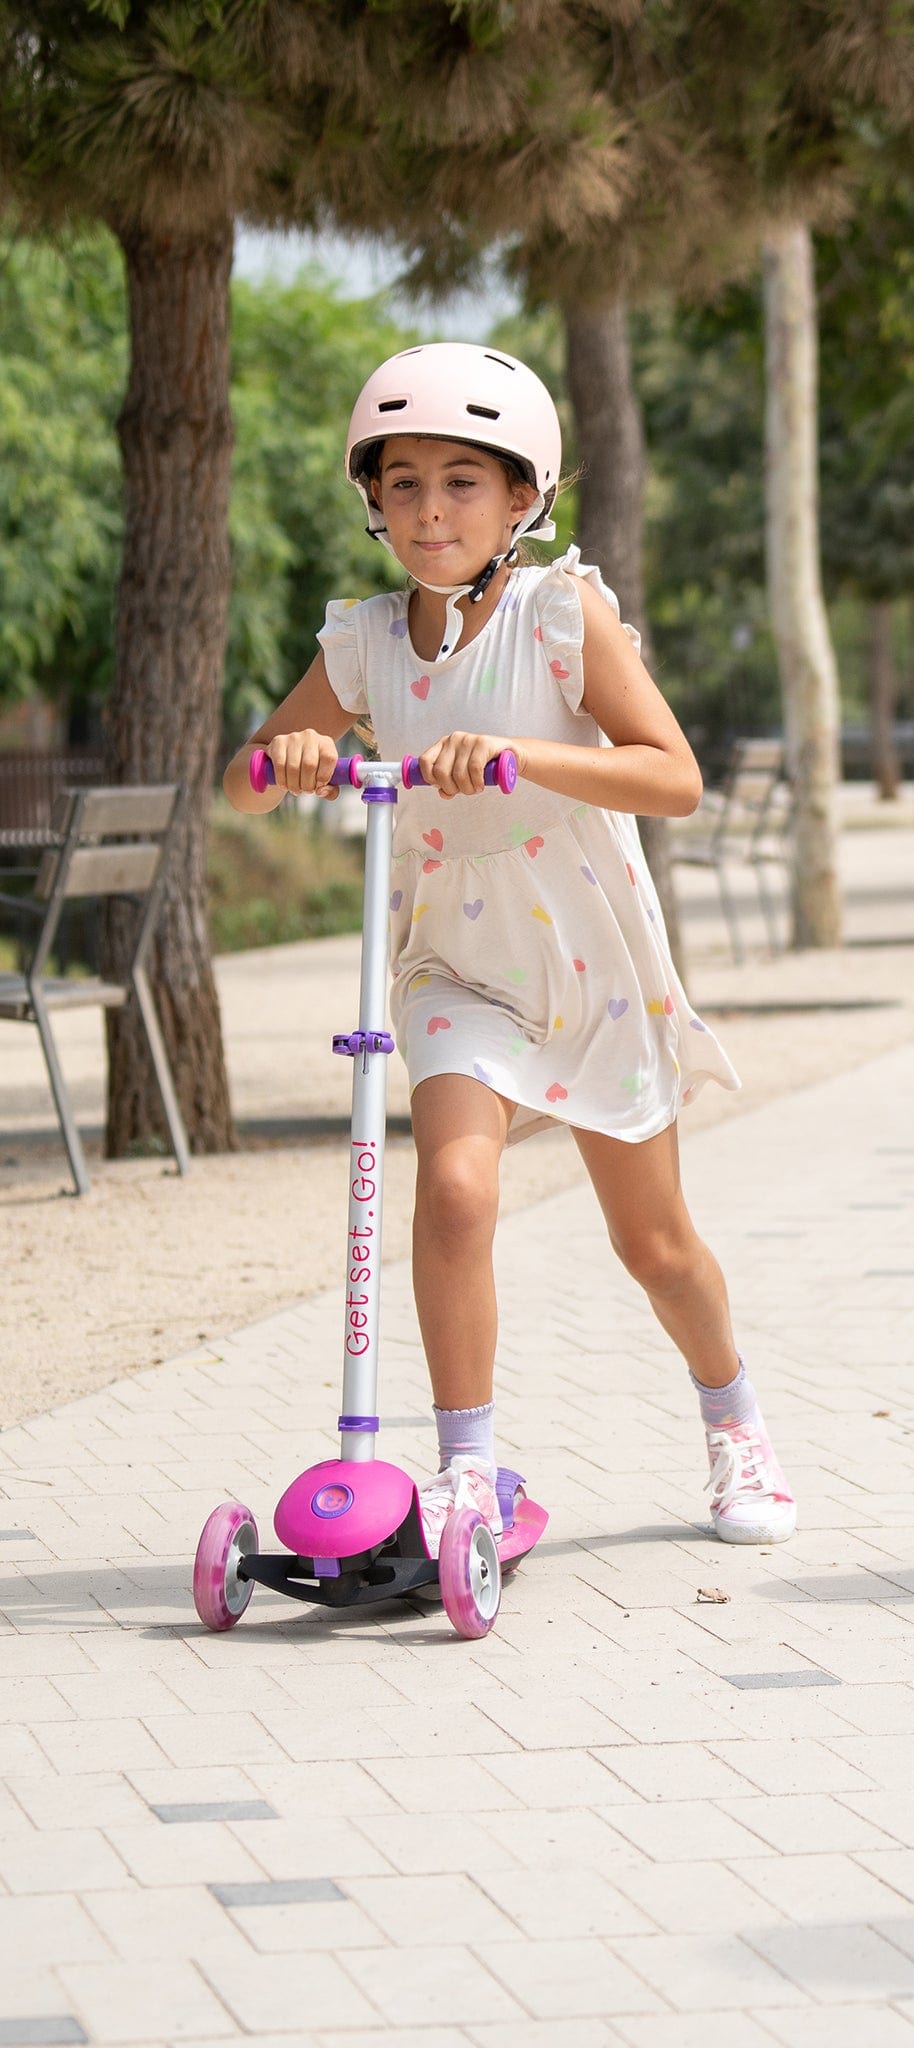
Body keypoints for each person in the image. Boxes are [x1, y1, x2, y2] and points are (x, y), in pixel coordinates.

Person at [223, 343, 796, 1548]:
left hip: (585, 952)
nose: (430, 510)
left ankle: (732, 1416)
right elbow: (244, 781)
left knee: (655, 1243)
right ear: (372, 501)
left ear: (523, 495)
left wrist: (516, 752)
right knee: (456, 1188)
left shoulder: (556, 613)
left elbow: (672, 777)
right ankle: (468, 1469)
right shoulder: (367, 641)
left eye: (461, 483)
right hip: (454, 961)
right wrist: (297, 761)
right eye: (404, 484)